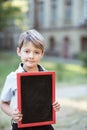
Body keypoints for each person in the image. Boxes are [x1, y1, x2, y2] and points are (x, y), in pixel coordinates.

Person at [0, 29, 61, 130]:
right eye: (27, 51)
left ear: (42, 54)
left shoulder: (46, 76)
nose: (31, 56)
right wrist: (12, 113)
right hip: (21, 126)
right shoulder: (12, 77)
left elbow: (48, 101)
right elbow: (3, 103)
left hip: (44, 124)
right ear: (18, 51)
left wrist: (54, 106)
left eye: (36, 52)